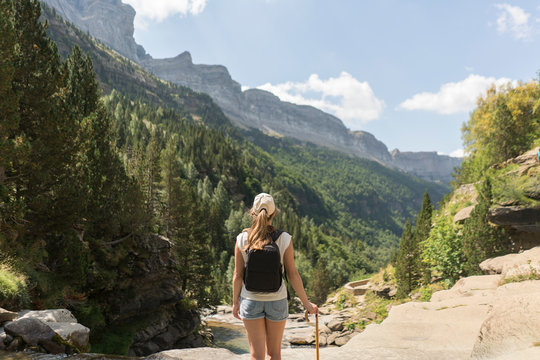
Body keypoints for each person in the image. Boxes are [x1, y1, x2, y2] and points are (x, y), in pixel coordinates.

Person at [232, 193, 318, 360]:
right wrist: (306, 303)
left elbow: (237, 275)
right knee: (274, 354)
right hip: (277, 301)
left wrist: (235, 302)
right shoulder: (284, 239)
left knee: (256, 355)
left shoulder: (242, 239)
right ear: (274, 214)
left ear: (253, 213)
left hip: (250, 300)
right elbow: (292, 274)